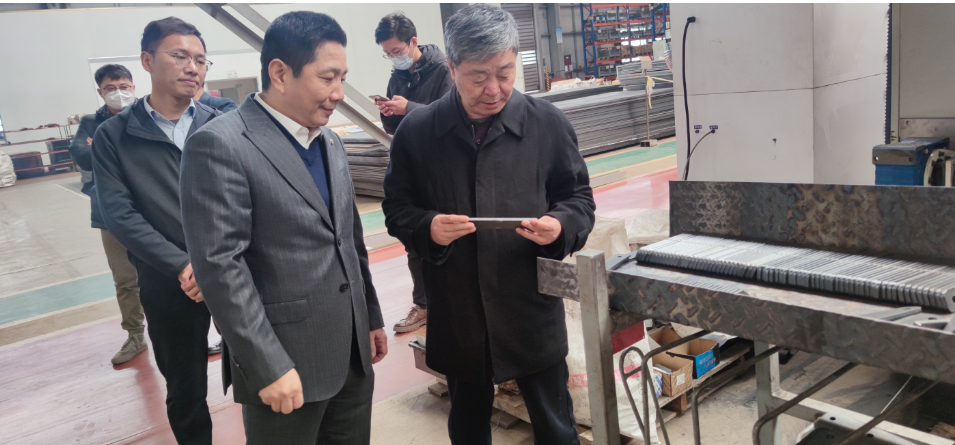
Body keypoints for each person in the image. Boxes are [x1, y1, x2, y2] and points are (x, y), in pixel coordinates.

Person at [382, 4, 596, 445]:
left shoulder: (547, 125)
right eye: (478, 76)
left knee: (557, 429)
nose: (494, 89)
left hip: (529, 308)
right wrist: (427, 228)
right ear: (453, 67)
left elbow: (578, 199)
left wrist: (560, 226)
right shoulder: (418, 133)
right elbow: (397, 209)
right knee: (467, 428)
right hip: (458, 311)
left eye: (504, 72)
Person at [180, 11, 386, 445]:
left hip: (351, 354)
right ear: (279, 73)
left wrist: (369, 317)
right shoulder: (222, 144)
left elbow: (348, 239)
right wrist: (267, 365)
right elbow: (220, 266)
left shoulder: (329, 141)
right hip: (286, 364)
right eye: (327, 78)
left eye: (342, 78)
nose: (338, 93)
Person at [92, 17, 221, 445]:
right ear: (147, 60)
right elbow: (119, 214)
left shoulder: (221, 124)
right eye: (180, 56)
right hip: (168, 281)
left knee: (260, 371)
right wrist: (181, 265)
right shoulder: (115, 135)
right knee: (186, 388)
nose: (193, 67)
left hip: (231, 271)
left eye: (200, 59)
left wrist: (219, 260)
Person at [374, 12, 454, 334]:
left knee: (449, 234)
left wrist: (408, 107)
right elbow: (396, 128)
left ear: (413, 42)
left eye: (397, 51)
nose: (394, 58)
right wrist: (389, 113)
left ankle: (452, 300)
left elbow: (450, 115)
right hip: (413, 165)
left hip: (443, 166)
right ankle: (423, 304)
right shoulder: (397, 77)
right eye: (387, 54)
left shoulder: (442, 70)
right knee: (413, 237)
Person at [68, 63, 145, 366]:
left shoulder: (146, 115)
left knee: (169, 273)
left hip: (150, 210)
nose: (118, 92)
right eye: (111, 88)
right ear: (100, 92)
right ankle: (135, 335)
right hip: (109, 213)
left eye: (124, 86)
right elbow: (82, 156)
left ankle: (180, 331)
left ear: (133, 87)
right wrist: (122, 149)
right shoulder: (90, 121)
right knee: (125, 280)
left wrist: (100, 145)